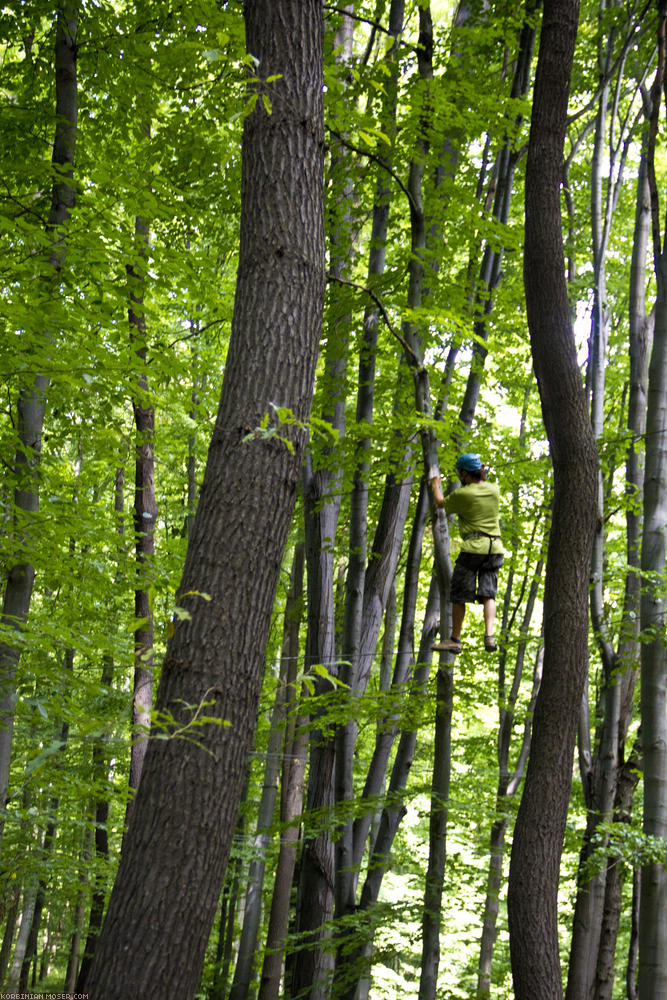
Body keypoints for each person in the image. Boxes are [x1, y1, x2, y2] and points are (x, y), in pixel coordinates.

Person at [429, 453, 504, 654]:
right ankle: (489, 636)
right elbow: (481, 476)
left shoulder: (464, 494)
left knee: (459, 594)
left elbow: (439, 502)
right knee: (489, 594)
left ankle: (455, 639)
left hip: (474, 549)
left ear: (464, 474)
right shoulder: (494, 489)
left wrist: (436, 483)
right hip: (495, 548)